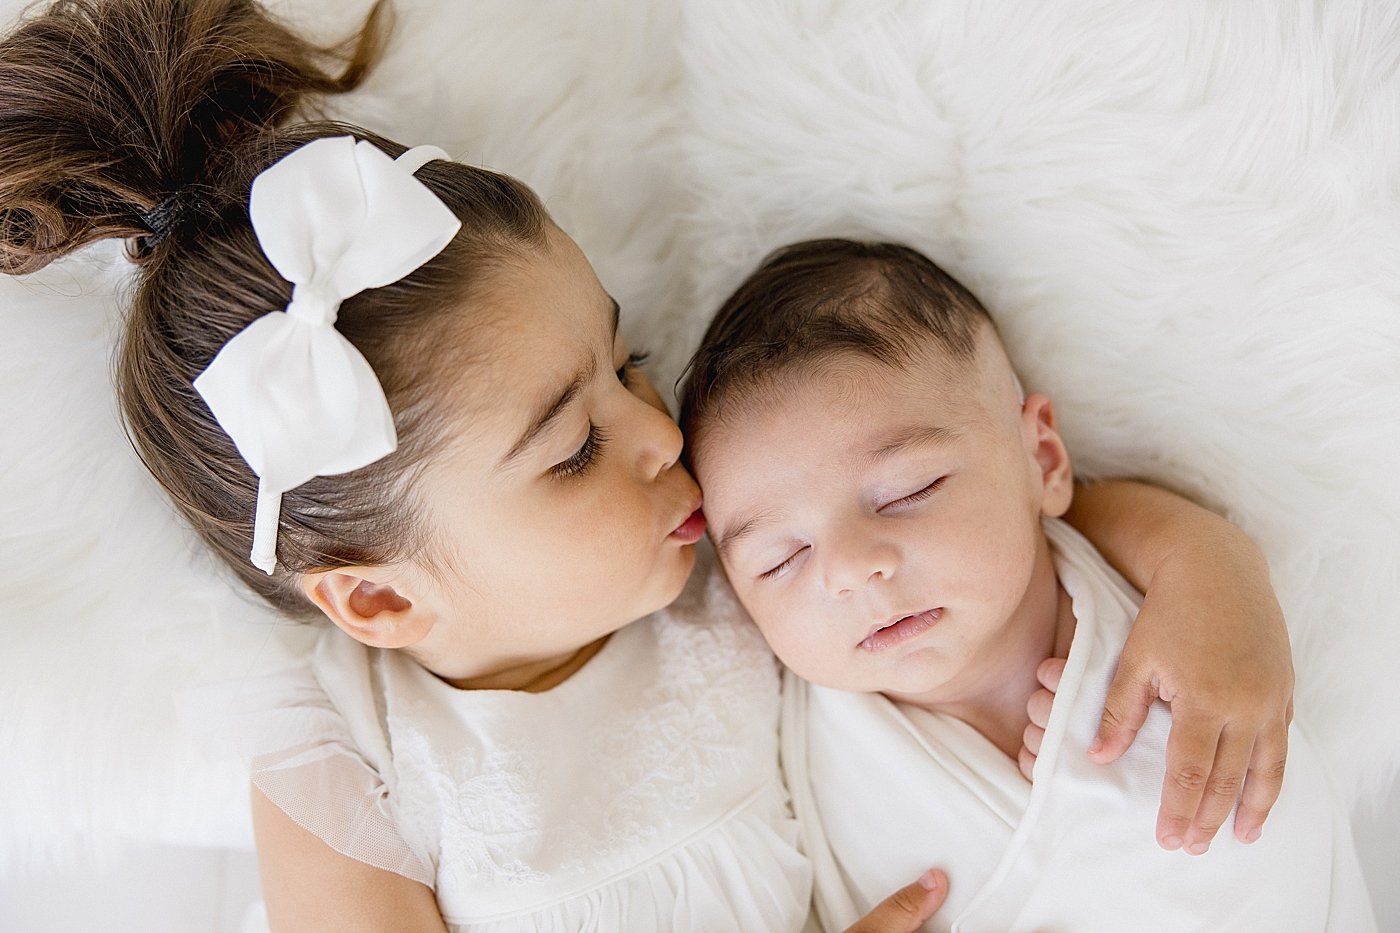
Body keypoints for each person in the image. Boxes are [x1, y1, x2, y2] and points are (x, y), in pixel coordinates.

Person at [0, 2, 1295, 930]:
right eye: (571, 451)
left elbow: (1010, 498)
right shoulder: (346, 755)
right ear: (384, 599)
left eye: (624, 362)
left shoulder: (735, 552)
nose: (661, 432)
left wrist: (1215, 580)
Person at [679, 238, 1375, 932]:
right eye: (781, 558)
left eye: (907, 491)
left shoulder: (1152, 585)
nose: (850, 568)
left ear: (1041, 456)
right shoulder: (774, 744)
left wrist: (1219, 571)